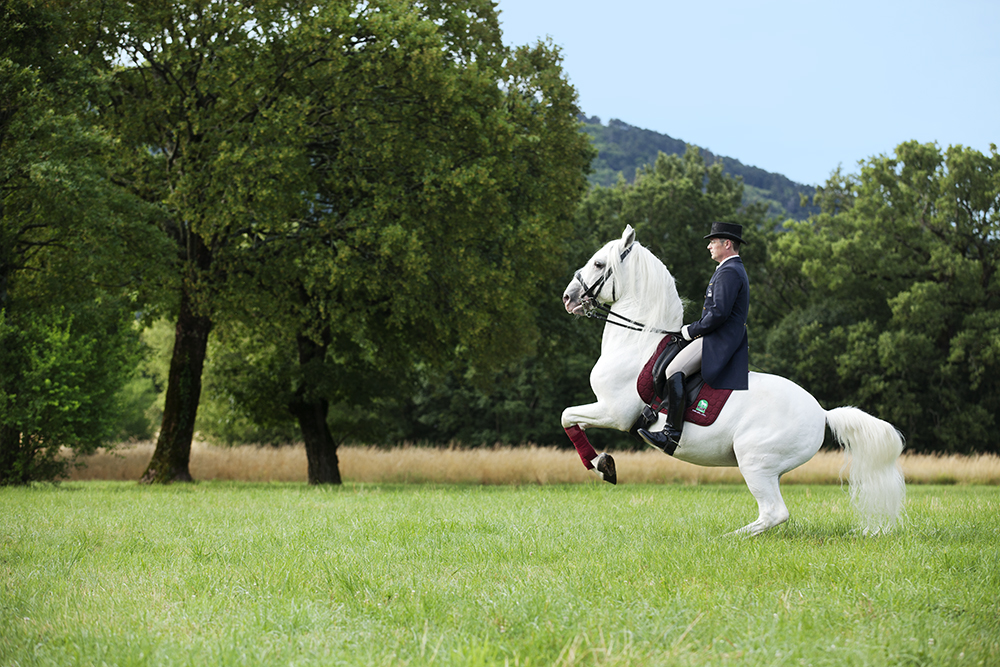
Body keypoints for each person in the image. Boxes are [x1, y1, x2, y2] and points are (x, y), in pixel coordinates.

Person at [638, 221, 750, 452]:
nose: (709, 247)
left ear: (727, 244)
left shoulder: (730, 271)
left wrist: (690, 330)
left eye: (712, 242)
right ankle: (659, 409)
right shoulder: (729, 269)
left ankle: (671, 434)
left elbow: (718, 313)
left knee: (673, 370)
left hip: (720, 339)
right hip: (716, 335)